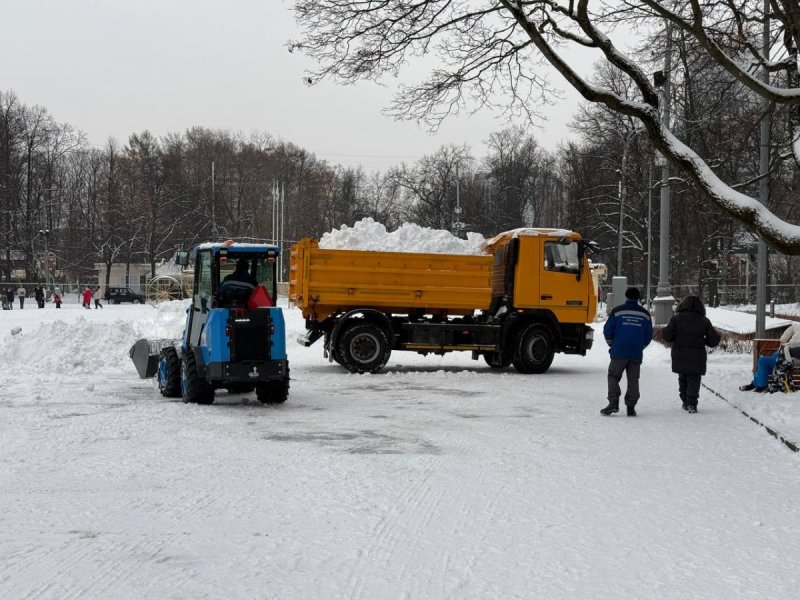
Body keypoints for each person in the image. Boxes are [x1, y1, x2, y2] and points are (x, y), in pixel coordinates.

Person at [661, 295, 721, 414]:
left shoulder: (676, 319)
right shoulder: (704, 320)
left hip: (680, 353)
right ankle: (692, 403)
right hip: (697, 355)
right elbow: (713, 341)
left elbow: (667, 335)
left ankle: (685, 400)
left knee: (682, 377)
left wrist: (674, 337)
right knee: (694, 378)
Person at [601, 287, 653, 417]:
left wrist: (612, 344)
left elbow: (607, 330)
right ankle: (631, 407)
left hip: (619, 351)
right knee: (633, 379)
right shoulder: (645, 314)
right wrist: (640, 346)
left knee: (613, 376)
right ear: (638, 298)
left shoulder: (617, 311)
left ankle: (613, 403)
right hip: (635, 352)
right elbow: (648, 335)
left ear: (626, 296)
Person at [739, 321, 800, 392]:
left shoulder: (797, 326)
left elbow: (785, 338)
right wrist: (784, 342)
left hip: (790, 359)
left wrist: (787, 345)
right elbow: (789, 331)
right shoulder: (797, 326)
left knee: (763, 361)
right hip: (784, 353)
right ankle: (756, 383)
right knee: (769, 358)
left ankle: (761, 385)